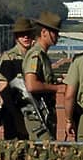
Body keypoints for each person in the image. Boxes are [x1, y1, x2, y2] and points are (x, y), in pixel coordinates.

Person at [22, 11, 66, 142]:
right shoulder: (36, 54)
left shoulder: (42, 55)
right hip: (37, 114)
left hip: (44, 112)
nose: (57, 36)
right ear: (44, 32)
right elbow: (31, 85)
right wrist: (57, 88)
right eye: (54, 32)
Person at [0, 17, 35, 139]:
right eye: (22, 34)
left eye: (28, 34)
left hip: (32, 111)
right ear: (16, 37)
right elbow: (3, 89)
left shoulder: (35, 56)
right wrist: (14, 115)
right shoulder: (9, 57)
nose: (26, 37)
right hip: (14, 111)